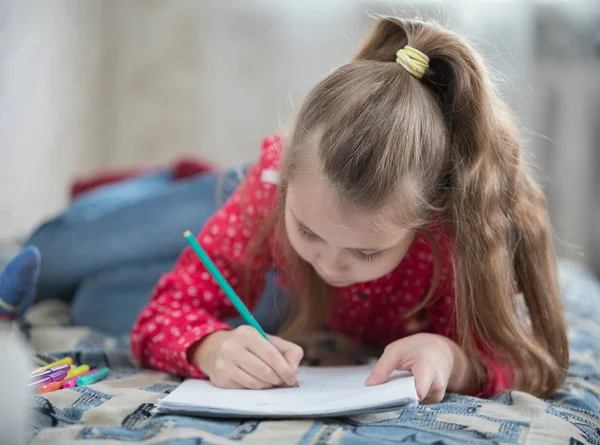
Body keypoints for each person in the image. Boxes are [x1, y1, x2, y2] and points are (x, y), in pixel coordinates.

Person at [129, 16, 569, 404]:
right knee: (64, 258)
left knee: (97, 301)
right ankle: (167, 184)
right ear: (283, 185)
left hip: (274, 287)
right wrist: (212, 347)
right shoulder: (269, 188)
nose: (332, 266)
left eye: (366, 252)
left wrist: (451, 359)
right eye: (308, 232)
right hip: (248, 228)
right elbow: (162, 314)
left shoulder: (458, 231)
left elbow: (527, 361)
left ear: (426, 221)